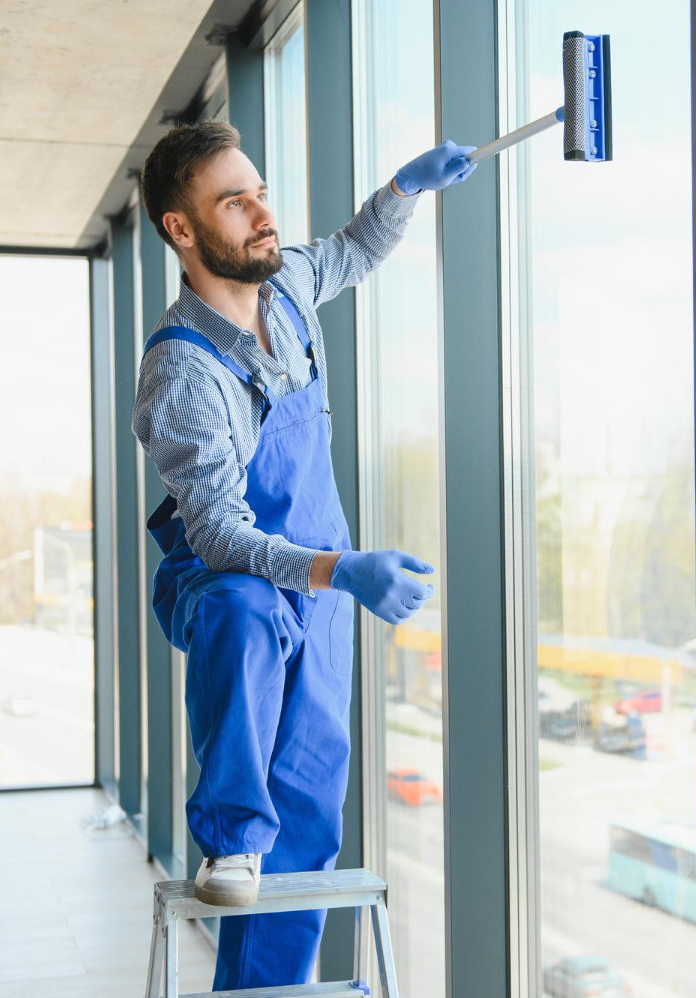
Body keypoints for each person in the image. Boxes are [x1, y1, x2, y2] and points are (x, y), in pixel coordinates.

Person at [131, 119, 476, 990]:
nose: (260, 213)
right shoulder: (182, 369)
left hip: (322, 583)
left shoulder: (285, 289)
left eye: (260, 192)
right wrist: (340, 571)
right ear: (182, 229)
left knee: (314, 814)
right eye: (234, 201)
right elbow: (220, 535)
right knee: (243, 613)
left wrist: (406, 187)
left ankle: (268, 991)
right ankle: (232, 838)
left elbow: (354, 250)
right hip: (225, 579)